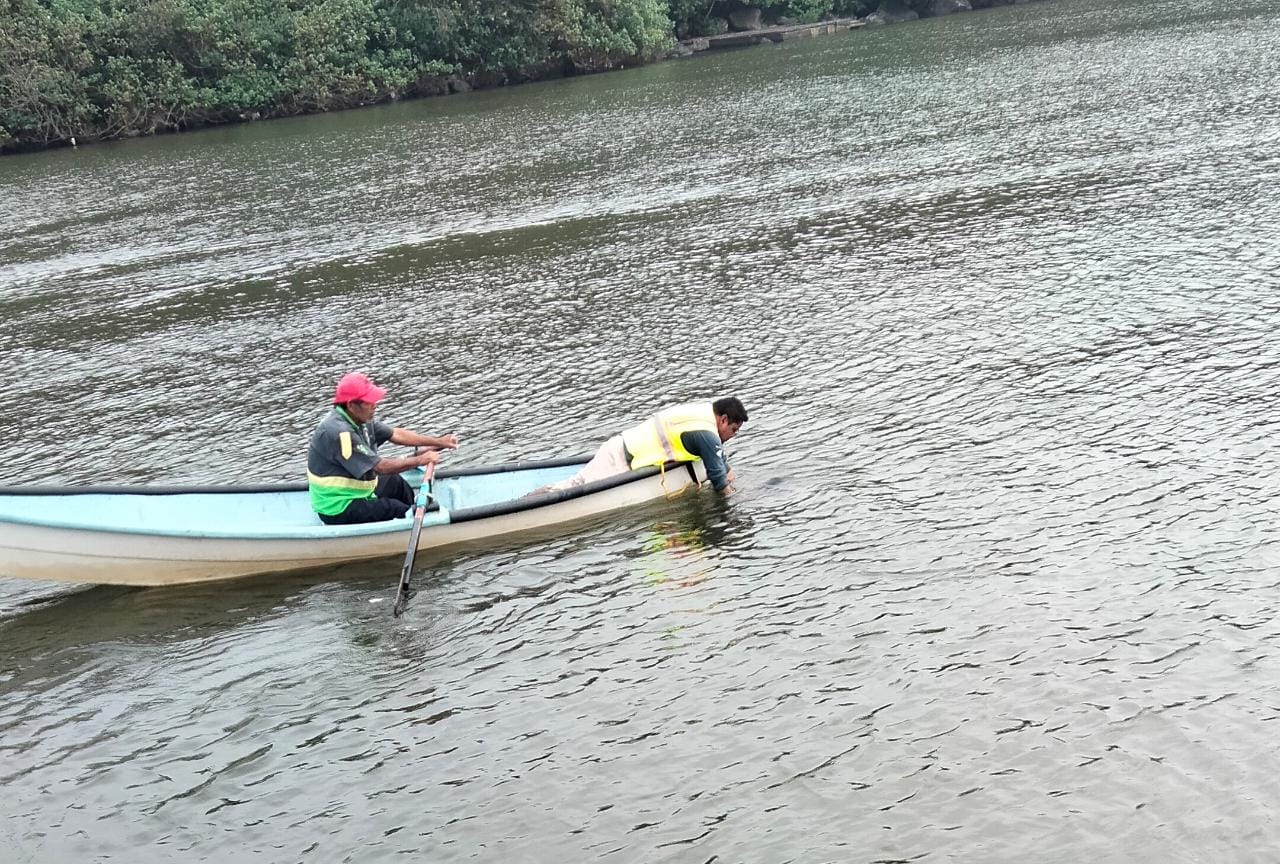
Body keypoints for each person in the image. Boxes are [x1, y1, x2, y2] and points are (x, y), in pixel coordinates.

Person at [307, 372, 459, 525]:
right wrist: (421, 460)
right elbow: (380, 467)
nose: (375, 405)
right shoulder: (340, 433)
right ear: (351, 405)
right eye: (369, 401)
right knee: (394, 509)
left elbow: (397, 435)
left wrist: (440, 442)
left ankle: (415, 514)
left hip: (358, 490)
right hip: (338, 505)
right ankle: (410, 519)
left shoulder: (360, 419)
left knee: (396, 483)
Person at [538, 397, 748, 496]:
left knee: (577, 482)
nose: (732, 436)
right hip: (621, 458)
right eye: (734, 430)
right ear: (723, 420)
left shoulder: (702, 412)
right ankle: (537, 497)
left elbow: (720, 461)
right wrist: (734, 500)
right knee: (573, 488)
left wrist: (730, 473)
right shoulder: (707, 434)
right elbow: (720, 483)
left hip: (624, 448)